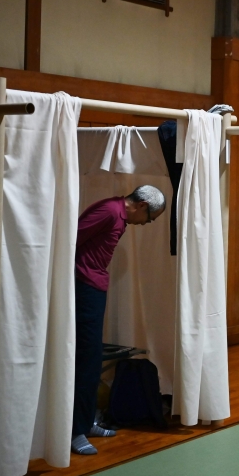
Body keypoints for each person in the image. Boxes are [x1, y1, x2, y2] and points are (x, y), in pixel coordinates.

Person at [71, 185, 166, 456]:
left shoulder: (118, 216)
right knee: (85, 359)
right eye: (149, 219)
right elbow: (70, 239)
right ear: (143, 206)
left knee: (91, 359)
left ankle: (86, 421)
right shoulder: (110, 212)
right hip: (85, 287)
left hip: (93, 286)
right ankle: (75, 431)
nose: (145, 224)